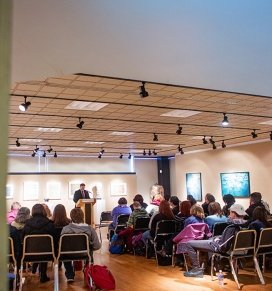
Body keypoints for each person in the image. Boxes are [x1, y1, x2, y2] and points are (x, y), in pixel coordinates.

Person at [182, 203, 247, 278]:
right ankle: (210, 266)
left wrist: (216, 240)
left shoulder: (231, 227)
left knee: (189, 243)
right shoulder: (245, 226)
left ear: (233, 213)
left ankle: (196, 269)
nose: (229, 214)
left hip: (218, 246)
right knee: (210, 238)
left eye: (230, 212)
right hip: (240, 250)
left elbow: (223, 246)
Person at [61, 208, 101, 282]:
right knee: (90, 248)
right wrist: (90, 246)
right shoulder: (90, 229)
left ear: (71, 217)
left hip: (68, 254)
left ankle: (69, 274)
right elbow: (97, 246)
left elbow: (62, 245)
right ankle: (87, 269)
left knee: (64, 252)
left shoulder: (65, 229)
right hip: (84, 253)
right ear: (83, 216)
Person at [22, 204, 55, 283]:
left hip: (29, 255)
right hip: (47, 254)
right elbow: (54, 238)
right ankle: (43, 275)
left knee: (38, 247)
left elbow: (22, 238)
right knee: (44, 248)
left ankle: (34, 269)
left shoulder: (27, 224)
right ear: (43, 211)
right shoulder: (49, 223)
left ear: (33, 211)